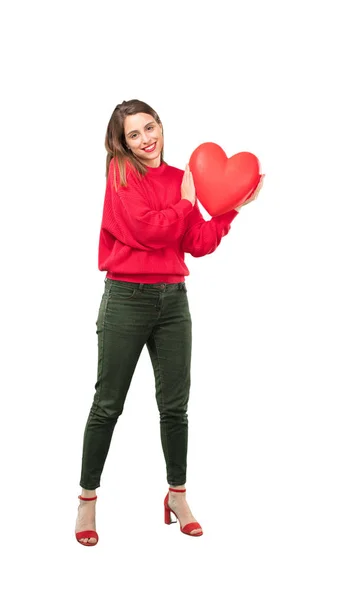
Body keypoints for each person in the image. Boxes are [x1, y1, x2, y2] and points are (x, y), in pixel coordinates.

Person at [75, 99, 264, 546]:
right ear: (121, 143)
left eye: (149, 127)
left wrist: (230, 209)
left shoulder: (183, 179)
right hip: (126, 298)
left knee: (175, 405)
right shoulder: (122, 175)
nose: (145, 140)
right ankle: (87, 499)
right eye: (133, 135)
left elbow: (194, 243)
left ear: (161, 125)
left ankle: (177, 495)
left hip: (173, 301)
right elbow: (149, 230)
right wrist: (184, 204)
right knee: (108, 404)